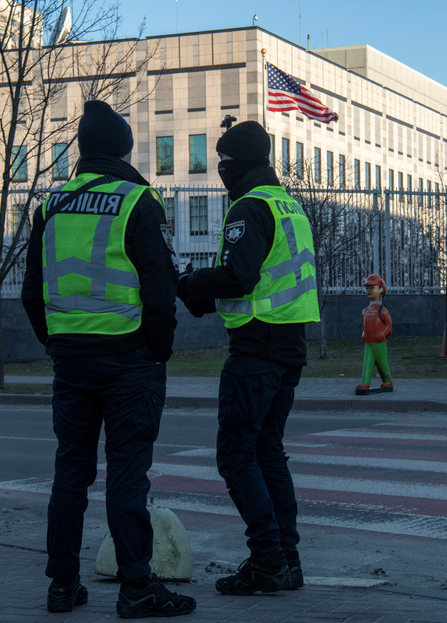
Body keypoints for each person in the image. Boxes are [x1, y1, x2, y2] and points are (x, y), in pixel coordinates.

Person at [21, 100, 195, 619]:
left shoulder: (51, 205)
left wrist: (57, 342)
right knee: (126, 477)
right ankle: (137, 589)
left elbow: (33, 292)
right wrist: (156, 353)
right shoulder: (137, 200)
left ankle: (62, 585)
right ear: (123, 149)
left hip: (71, 363)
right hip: (127, 362)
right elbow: (160, 293)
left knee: (70, 474)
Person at [176, 120, 320, 595]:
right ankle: (287, 561)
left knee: (237, 456)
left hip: (256, 350)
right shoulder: (288, 205)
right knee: (267, 452)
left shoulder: (249, 206)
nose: (220, 172)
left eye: (222, 165)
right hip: (289, 349)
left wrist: (192, 284)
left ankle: (267, 560)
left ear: (234, 165)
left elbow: (240, 277)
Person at [356, 273, 394, 395]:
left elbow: (389, 326)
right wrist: (364, 333)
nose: (369, 290)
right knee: (367, 361)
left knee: (382, 362)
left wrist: (382, 334)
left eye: (372, 288)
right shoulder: (365, 311)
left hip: (379, 342)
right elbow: (365, 325)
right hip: (369, 342)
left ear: (381, 289)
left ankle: (388, 380)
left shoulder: (382, 310)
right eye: (367, 288)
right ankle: (365, 382)